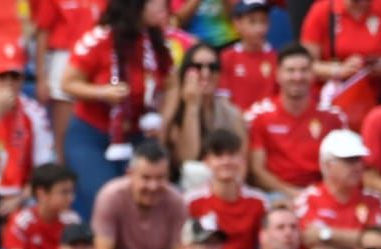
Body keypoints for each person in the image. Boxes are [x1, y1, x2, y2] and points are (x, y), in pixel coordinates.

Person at [60, 0, 174, 221]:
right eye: (154, 2)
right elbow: (68, 83)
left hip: (137, 135)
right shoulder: (99, 39)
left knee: (143, 197)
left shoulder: (158, 42)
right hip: (92, 134)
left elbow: (173, 84)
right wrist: (103, 92)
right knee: (104, 196)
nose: (163, 6)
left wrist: (163, 121)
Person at [91, 139, 188, 249]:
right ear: (130, 174)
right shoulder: (111, 197)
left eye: (160, 178)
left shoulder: (176, 201)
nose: (153, 186)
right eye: (146, 178)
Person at [246, 44, 346, 200]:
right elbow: (257, 170)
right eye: (290, 71)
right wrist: (292, 193)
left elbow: (341, 167)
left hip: (321, 194)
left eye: (304, 70)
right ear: (278, 74)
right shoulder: (259, 116)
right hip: (277, 194)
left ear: (313, 74)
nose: (298, 77)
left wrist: (317, 196)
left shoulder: (333, 117)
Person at [295, 128, 381, 249]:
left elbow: (379, 244)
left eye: (359, 159)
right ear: (327, 165)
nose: (358, 166)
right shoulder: (308, 199)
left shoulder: (375, 201)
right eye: (349, 160)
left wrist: (326, 234)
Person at [300, 0, 381, 128]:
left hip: (376, 97)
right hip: (332, 99)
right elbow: (306, 64)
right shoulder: (323, 10)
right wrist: (339, 70)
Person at [160, 40, 243, 172]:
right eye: (197, 67)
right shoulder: (174, 110)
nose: (206, 73)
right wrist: (192, 105)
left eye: (213, 67)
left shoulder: (231, 113)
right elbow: (187, 159)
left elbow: (242, 165)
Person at [31, 0, 101, 156]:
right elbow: (43, 32)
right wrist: (41, 78)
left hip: (99, 57)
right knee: (64, 131)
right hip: (64, 57)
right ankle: (63, 175)